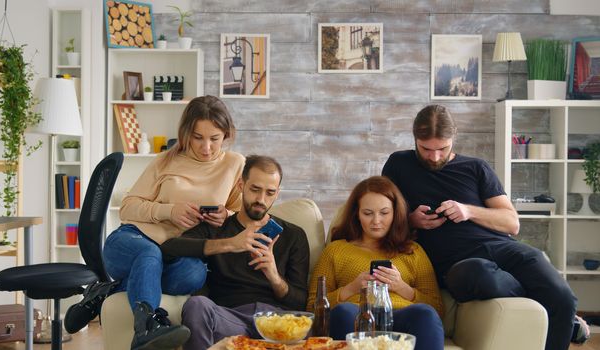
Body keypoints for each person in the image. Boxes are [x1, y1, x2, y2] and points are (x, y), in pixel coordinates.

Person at [382, 104, 589, 350]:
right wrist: (411, 221)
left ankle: (563, 317)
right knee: (478, 272)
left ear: (454, 138)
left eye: (442, 149)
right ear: (415, 138)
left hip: (503, 249)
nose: (434, 157)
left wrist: (468, 210)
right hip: (457, 266)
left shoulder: (476, 168)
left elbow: (512, 223)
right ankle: (557, 315)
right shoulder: (399, 164)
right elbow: (381, 213)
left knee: (563, 297)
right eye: (426, 149)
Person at [102, 95, 245, 350]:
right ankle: (149, 327)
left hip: (177, 254)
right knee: (149, 253)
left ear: (226, 134)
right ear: (186, 133)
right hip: (134, 239)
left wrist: (226, 217)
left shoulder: (235, 164)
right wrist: (169, 211)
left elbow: (240, 213)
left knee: (195, 273)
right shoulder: (166, 160)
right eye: (198, 137)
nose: (206, 147)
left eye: (214, 138)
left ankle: (105, 292)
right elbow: (127, 207)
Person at [160, 155, 310, 350]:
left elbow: (301, 302)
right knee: (197, 305)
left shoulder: (293, 235)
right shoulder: (216, 228)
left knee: (312, 324)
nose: (261, 200)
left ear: (277, 192)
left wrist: (274, 276)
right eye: (255, 189)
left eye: (270, 193)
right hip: (230, 317)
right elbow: (168, 249)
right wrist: (230, 244)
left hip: (276, 322)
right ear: (241, 185)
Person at [307, 176, 444, 350]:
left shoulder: (413, 251)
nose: (376, 221)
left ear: (395, 213)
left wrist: (401, 287)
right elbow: (313, 307)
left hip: (401, 320)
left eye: (384, 213)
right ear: (357, 214)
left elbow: (437, 309)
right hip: (356, 318)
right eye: (368, 213)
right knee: (343, 312)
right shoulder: (336, 250)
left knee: (426, 315)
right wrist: (352, 288)